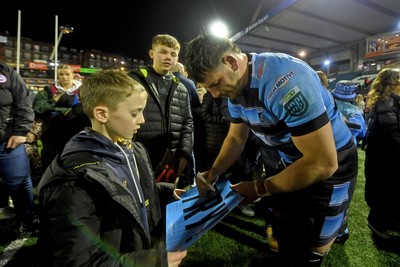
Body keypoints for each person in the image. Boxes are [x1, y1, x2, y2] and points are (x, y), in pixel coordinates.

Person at [185, 33, 358, 266]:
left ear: (232, 62)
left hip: (332, 160)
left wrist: (258, 187)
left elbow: (322, 163)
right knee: (284, 223)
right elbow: (236, 138)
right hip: (291, 159)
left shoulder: (285, 81)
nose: (215, 94)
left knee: (314, 239)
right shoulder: (235, 85)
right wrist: (213, 173)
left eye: (215, 84)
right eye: (208, 88)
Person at [37, 69, 187, 266]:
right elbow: (79, 261)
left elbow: (128, 193)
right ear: (101, 114)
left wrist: (166, 192)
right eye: (135, 113)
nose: (142, 120)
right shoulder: (74, 182)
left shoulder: (133, 148)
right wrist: (152, 262)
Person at [128, 34, 193, 188]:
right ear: (152, 54)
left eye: (173, 54)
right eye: (163, 52)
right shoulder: (133, 80)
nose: (168, 57)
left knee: (165, 202)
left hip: (170, 159)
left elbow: (187, 123)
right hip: (139, 157)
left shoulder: (181, 88)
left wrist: (184, 154)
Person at [363, 68, 400, 240]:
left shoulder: (384, 100)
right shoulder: (387, 102)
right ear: (394, 83)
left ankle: (387, 220)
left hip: (381, 155)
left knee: (386, 190)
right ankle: (377, 222)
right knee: (385, 190)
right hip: (384, 157)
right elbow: (392, 133)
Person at [0, 61, 36, 231]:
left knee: (19, 180)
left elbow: (24, 101)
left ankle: (27, 216)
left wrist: (21, 131)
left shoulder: (6, 72)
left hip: (7, 141)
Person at [33, 64, 85, 170]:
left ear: (73, 75)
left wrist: (57, 109)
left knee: (74, 157)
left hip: (76, 131)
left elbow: (88, 108)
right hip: (51, 131)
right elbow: (38, 107)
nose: (64, 77)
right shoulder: (48, 91)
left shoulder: (83, 91)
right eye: (61, 74)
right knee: (49, 157)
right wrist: (53, 102)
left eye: (67, 74)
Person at [331, 81, 366, 146]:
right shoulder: (357, 114)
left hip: (330, 147)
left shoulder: (329, 109)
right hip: (350, 148)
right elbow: (362, 134)